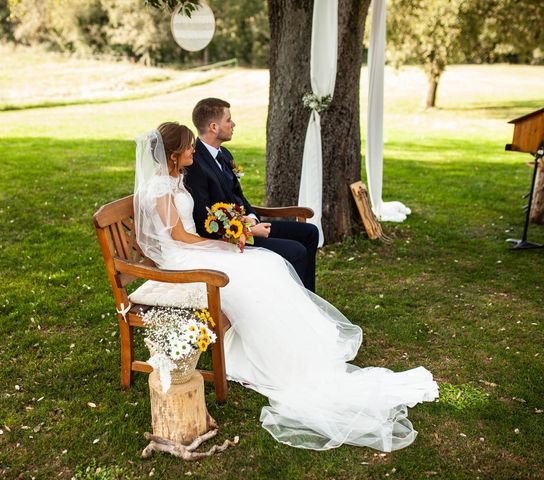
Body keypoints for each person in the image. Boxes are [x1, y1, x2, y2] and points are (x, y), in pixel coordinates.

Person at [133, 123, 438, 452]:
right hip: (183, 259)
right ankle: (272, 353)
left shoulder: (174, 180)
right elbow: (179, 238)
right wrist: (221, 246)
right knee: (260, 268)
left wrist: (226, 238)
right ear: (175, 155)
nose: (194, 151)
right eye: (190, 148)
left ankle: (292, 347)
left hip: (195, 251)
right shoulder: (161, 188)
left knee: (267, 265)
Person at [184, 97, 319, 292]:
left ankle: (309, 298)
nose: (233, 124)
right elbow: (204, 220)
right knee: (296, 251)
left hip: (248, 225)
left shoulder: (224, 154)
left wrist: (253, 218)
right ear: (214, 126)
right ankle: (295, 303)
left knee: (309, 233)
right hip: (229, 238)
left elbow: (238, 195)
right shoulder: (196, 164)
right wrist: (247, 230)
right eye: (228, 120)